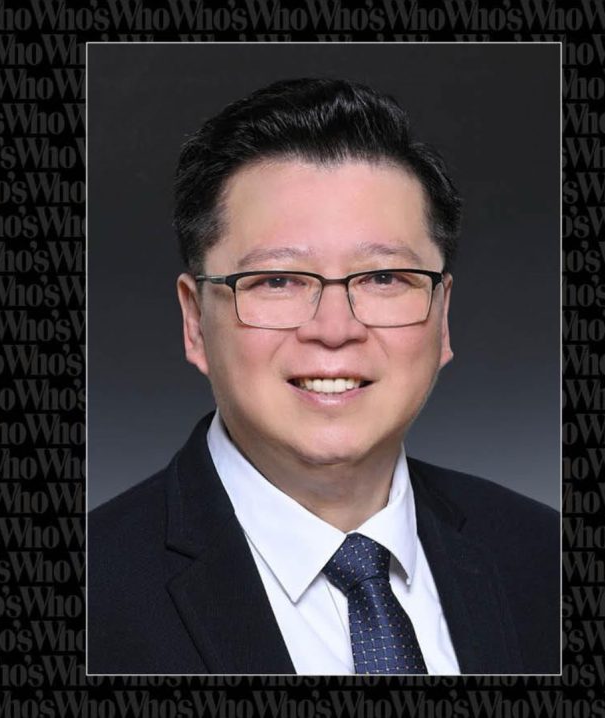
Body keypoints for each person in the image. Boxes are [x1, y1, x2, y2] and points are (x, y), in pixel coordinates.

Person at [88, 78, 558, 675]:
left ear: (443, 318)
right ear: (194, 322)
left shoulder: (543, 556)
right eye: (277, 280)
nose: (335, 329)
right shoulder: (98, 593)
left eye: (384, 278)